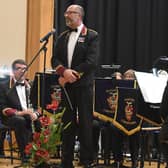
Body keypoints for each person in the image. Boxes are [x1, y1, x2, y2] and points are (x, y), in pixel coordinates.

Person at [51, 4, 99, 168]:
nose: (66, 15)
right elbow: (54, 60)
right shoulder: (62, 36)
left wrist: (73, 75)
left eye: (70, 13)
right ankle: (66, 161)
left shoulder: (92, 36)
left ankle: (86, 160)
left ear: (79, 15)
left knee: (86, 123)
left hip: (84, 86)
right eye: (66, 12)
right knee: (67, 124)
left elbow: (91, 62)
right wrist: (64, 72)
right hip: (67, 87)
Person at [0, 59, 41, 163]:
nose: (22, 71)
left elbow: (38, 106)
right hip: (10, 118)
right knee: (21, 120)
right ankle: (25, 155)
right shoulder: (4, 86)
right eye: (19, 69)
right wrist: (22, 113)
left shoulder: (30, 85)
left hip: (28, 115)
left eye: (24, 69)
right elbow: (3, 109)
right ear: (13, 71)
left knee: (41, 121)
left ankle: (40, 154)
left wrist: (36, 114)